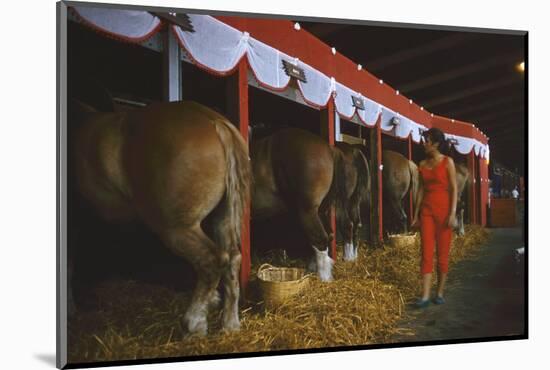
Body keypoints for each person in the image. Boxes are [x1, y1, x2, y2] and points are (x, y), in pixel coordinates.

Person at [411, 128, 458, 308]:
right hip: (427, 212)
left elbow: (454, 189)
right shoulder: (422, 164)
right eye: (424, 140)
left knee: (443, 254)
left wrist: (452, 213)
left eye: (427, 141)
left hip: (444, 212)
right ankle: (424, 296)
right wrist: (416, 215)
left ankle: (439, 292)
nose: (424, 143)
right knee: (426, 252)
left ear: (436, 144)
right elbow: (421, 190)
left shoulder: (448, 162)